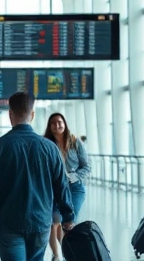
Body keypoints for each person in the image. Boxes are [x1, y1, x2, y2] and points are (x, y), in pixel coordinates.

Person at [0, 92, 75, 261]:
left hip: (9, 222)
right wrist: (68, 218)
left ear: (10, 114)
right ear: (32, 115)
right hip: (40, 222)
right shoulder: (50, 148)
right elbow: (61, 185)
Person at [44, 112, 91, 261]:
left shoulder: (75, 142)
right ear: (49, 126)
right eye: (53, 123)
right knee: (53, 222)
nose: (57, 125)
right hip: (54, 189)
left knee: (68, 222)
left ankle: (67, 254)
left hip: (74, 188)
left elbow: (87, 167)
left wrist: (73, 177)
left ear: (64, 124)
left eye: (60, 122)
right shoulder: (46, 144)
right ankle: (56, 255)